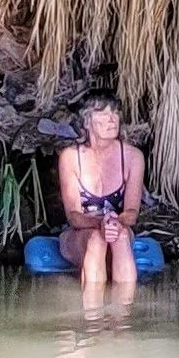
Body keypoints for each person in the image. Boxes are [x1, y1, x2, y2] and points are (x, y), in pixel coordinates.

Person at [58, 93, 145, 306]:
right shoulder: (70, 157)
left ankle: (122, 319)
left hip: (118, 227)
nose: (112, 119)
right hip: (81, 234)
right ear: (87, 121)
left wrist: (115, 223)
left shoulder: (133, 157)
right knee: (97, 240)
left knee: (121, 237)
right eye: (103, 113)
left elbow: (132, 213)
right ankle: (93, 318)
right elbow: (74, 217)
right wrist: (101, 224)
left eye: (115, 113)